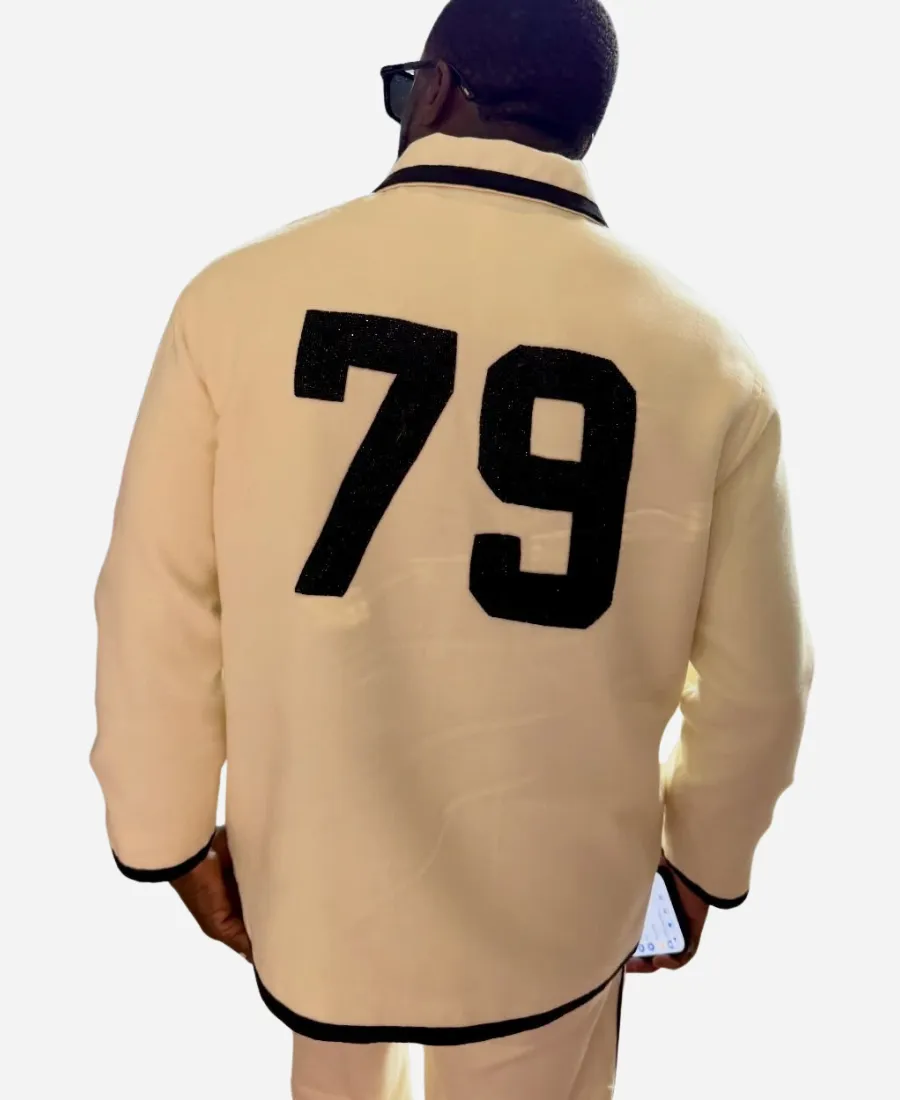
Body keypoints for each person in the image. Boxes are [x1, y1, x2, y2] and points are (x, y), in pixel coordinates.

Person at [89, 1, 814, 1097]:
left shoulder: (232, 300)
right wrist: (704, 863)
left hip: (314, 880)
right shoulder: (712, 364)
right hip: (562, 903)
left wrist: (168, 835)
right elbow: (762, 680)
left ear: (431, 91)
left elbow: (158, 605)